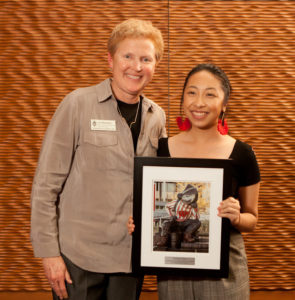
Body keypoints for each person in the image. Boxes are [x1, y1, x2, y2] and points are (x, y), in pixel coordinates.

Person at [30, 18, 166, 300]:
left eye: (146, 59)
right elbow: (45, 185)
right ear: (110, 60)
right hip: (78, 257)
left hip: (130, 257)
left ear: (155, 65)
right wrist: (49, 254)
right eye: (127, 56)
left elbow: (159, 186)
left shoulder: (157, 117)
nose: (136, 66)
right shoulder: (77, 104)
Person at [128, 63, 260, 300]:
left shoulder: (242, 154)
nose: (199, 102)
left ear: (224, 104)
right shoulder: (162, 149)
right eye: (192, 92)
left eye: (210, 94)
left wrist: (238, 217)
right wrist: (139, 223)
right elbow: (151, 209)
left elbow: (252, 220)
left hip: (226, 270)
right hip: (173, 267)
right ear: (183, 99)